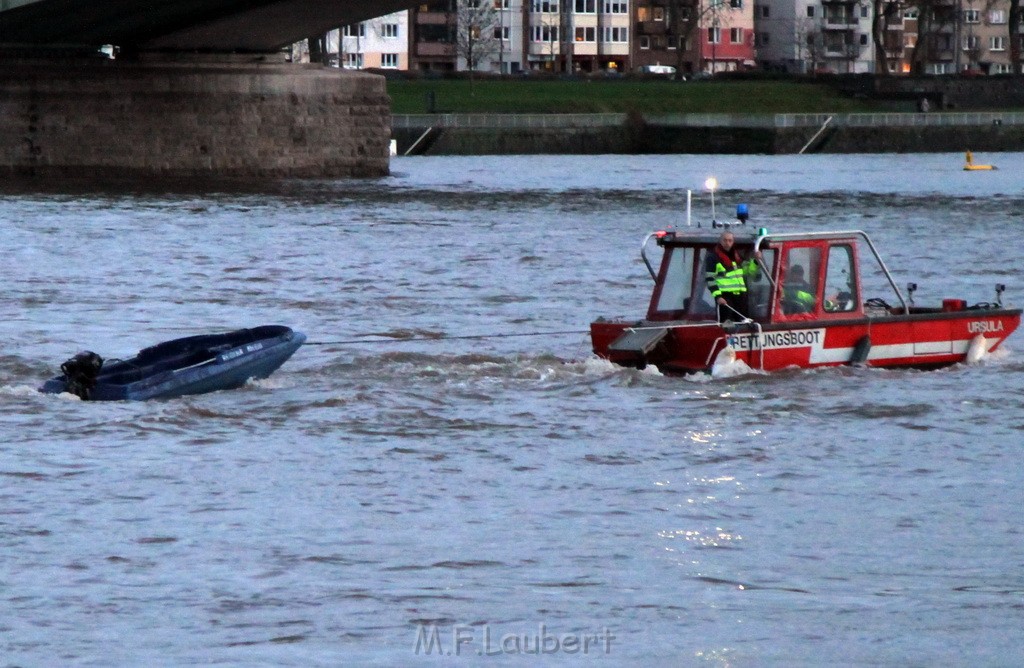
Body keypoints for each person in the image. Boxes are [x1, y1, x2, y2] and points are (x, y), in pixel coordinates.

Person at [704, 231, 760, 321]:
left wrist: (756, 261)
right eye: (725, 240)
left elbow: (748, 271)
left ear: (733, 242)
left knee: (744, 321)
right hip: (725, 297)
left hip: (740, 296)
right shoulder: (713, 258)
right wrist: (718, 297)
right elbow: (710, 279)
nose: (727, 243)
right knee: (727, 322)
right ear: (720, 241)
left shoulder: (736, 257)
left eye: (730, 240)